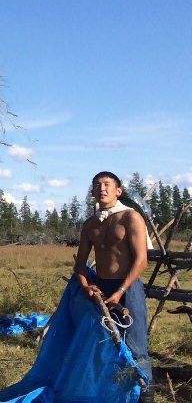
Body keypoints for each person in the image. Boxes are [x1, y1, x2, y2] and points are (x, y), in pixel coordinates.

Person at [74, 171, 153, 402]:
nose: (102, 188)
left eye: (107, 184)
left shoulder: (130, 217)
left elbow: (141, 261)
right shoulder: (90, 224)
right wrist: (86, 287)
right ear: (92, 191)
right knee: (103, 345)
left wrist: (121, 291)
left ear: (118, 191)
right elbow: (80, 264)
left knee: (136, 345)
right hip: (101, 289)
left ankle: (145, 396)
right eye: (97, 185)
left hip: (128, 289)